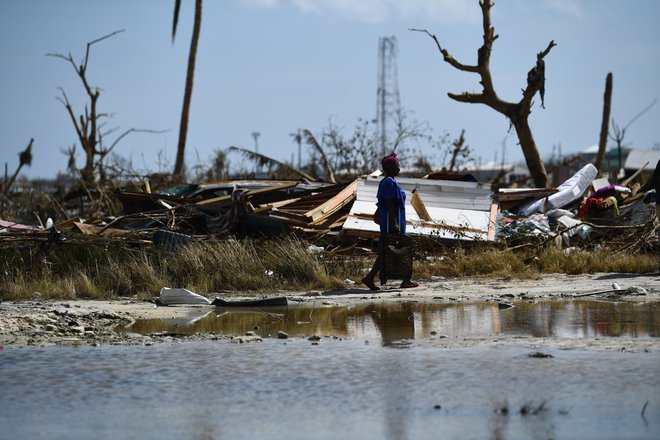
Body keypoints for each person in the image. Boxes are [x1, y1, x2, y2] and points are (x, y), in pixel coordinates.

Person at [361, 153, 418, 291]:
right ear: (391, 167)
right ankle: (405, 280)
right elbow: (390, 204)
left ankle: (371, 278)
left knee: (388, 251)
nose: (399, 168)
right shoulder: (389, 183)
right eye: (397, 166)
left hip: (391, 222)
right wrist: (395, 224)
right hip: (391, 223)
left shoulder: (387, 182)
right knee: (397, 249)